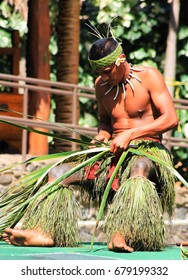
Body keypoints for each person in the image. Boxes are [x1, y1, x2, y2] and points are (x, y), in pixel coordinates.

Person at [1, 36, 178, 252]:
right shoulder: (101, 85)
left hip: (148, 153)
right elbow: (105, 122)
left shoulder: (150, 76)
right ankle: (44, 231)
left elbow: (171, 118)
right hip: (113, 152)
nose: (103, 77)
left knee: (137, 168)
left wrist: (131, 134)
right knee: (59, 172)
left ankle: (123, 233)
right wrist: (101, 137)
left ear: (120, 60)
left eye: (106, 71)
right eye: (99, 73)